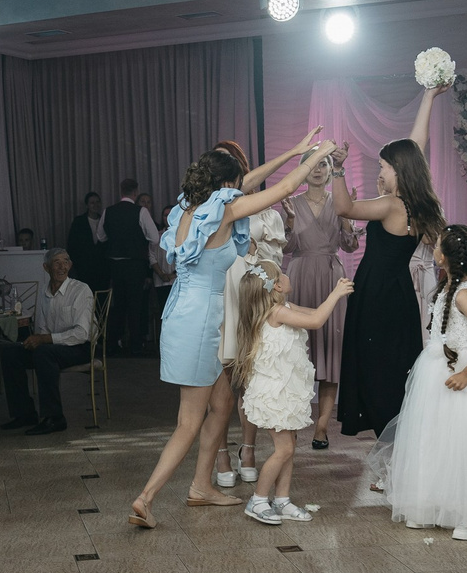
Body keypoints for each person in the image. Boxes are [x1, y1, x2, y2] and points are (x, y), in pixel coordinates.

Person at [127, 131, 328, 528]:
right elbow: (284, 188)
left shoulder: (187, 208)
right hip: (202, 320)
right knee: (189, 421)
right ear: (225, 185)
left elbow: (251, 182)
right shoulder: (223, 210)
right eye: (236, 184)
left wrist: (292, 150)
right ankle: (145, 499)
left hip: (181, 313)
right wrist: (316, 155)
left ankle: (202, 486)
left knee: (221, 405)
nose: (240, 189)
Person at [375, 225, 467, 539]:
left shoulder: (464, 295)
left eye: (437, 245)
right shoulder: (447, 288)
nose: (433, 249)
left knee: (462, 441)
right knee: (433, 438)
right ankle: (429, 505)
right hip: (436, 370)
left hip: (461, 373)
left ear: (444, 257)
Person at [333, 87, 447, 441]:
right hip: (400, 295)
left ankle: (390, 439)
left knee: (375, 367)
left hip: (376, 294)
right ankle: (401, 435)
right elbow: (416, 147)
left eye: (384, 166)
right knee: (397, 366)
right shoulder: (418, 203)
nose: (380, 170)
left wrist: (337, 169)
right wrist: (428, 97)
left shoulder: (390, 205)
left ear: (398, 170)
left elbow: (344, 208)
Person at [230, 258, 354, 526]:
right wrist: (336, 293)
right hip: (274, 394)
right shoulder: (276, 312)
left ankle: (282, 500)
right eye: (282, 273)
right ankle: (258, 500)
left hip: (285, 391)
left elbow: (315, 313)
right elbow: (317, 321)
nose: (287, 275)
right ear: (276, 286)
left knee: (289, 446)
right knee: (284, 449)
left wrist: (334, 301)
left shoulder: (284, 306)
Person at [282, 151, 359, 448]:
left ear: (330, 170)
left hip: (331, 279)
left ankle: (322, 427)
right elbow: (285, 247)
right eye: (312, 165)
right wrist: (289, 220)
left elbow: (350, 246)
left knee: (331, 350)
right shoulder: (292, 202)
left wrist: (348, 218)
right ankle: (292, 422)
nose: (317, 170)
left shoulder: (339, 201)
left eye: (323, 164)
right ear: (303, 169)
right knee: (298, 352)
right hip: (300, 277)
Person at [216, 208, 287, 489]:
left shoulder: (267, 214)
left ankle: (248, 451)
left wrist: (256, 250)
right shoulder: (214, 209)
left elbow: (275, 263)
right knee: (221, 381)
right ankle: (221, 454)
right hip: (220, 292)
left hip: (250, 296)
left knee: (250, 380)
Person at [0, 247, 94, 436]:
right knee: (10, 353)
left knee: (43, 353)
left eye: (66, 262)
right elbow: (42, 329)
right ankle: (24, 414)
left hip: (80, 347)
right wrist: (37, 340)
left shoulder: (80, 290)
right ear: (46, 267)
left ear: (70, 265)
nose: (62, 266)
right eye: (57, 262)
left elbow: (81, 334)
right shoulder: (45, 292)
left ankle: (55, 418)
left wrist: (44, 340)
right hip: (53, 347)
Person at [104, 178, 161, 354]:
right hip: (135, 264)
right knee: (135, 304)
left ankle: (114, 343)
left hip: (115, 265)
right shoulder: (140, 212)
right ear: (135, 193)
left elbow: (100, 236)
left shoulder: (108, 211)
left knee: (118, 305)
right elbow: (155, 238)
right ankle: (136, 344)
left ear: (121, 191)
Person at [66, 192, 110, 292]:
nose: (95, 205)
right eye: (92, 203)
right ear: (87, 205)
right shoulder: (79, 222)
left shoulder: (105, 221)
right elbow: (72, 245)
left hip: (102, 269)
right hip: (84, 269)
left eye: (98, 202)